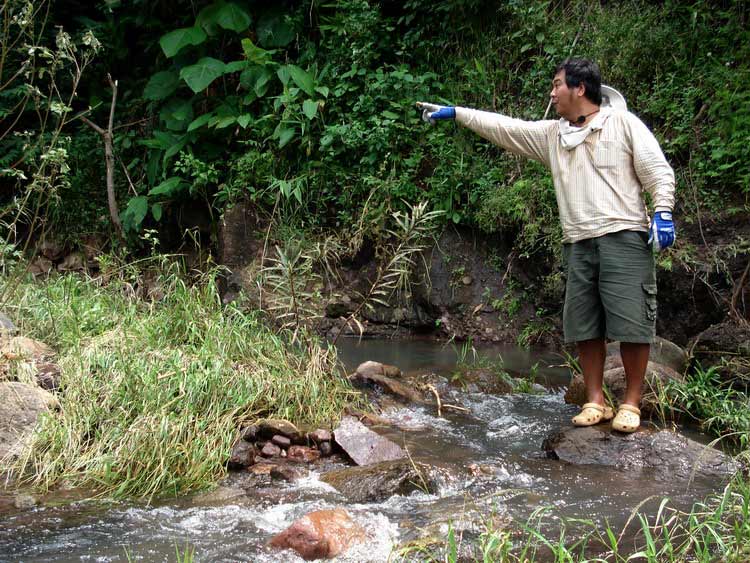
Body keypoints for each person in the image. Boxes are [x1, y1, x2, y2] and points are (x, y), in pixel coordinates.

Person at [417, 58, 675, 433]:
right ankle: (595, 400)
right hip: (577, 242)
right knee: (584, 325)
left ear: (580, 88)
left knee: (633, 323)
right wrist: (458, 113)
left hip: (624, 236)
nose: (552, 93)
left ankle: (631, 403)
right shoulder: (553, 135)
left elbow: (657, 170)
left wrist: (663, 211)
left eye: (557, 85)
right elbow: (507, 128)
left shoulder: (623, 124)